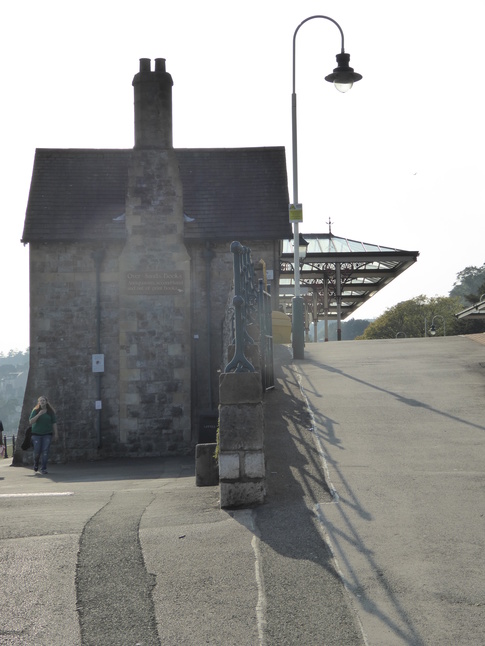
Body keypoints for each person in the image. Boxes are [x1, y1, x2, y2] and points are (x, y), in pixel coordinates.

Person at [29, 396, 58, 474]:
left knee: (45, 451)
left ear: (46, 401)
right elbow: (31, 422)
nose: (42, 402)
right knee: (37, 451)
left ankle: (43, 468)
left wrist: (56, 434)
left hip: (47, 434)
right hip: (36, 435)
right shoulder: (35, 410)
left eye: (43, 400)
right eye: (40, 400)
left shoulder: (50, 412)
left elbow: (54, 423)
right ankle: (36, 464)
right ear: (38, 402)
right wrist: (39, 414)